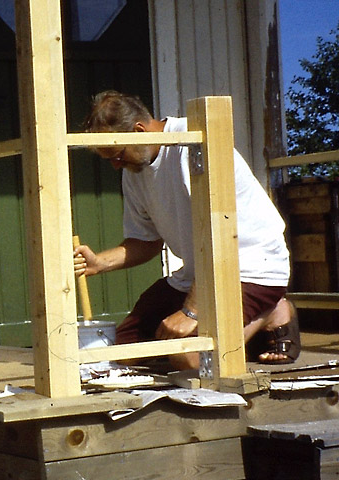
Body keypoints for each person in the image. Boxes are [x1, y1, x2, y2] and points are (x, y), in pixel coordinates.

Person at [73, 90, 299, 369]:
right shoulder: (134, 170)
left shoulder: (193, 142)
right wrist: (99, 263)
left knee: (190, 358)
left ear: (139, 130)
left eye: (117, 154)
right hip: (197, 273)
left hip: (249, 267)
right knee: (122, 353)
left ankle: (271, 311)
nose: (115, 164)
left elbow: (220, 237)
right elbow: (146, 241)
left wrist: (191, 311)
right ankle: (243, 330)